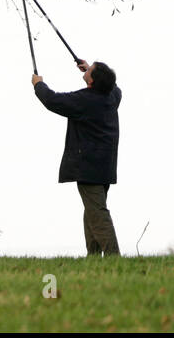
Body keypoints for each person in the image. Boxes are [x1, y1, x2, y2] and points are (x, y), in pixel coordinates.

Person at [31, 58, 122, 256]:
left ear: (91, 82)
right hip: (105, 165)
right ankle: (94, 256)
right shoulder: (113, 95)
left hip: (89, 166)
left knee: (97, 212)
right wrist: (89, 69)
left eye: (91, 70)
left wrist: (38, 84)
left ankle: (114, 256)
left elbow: (52, 100)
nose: (88, 69)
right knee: (93, 209)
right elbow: (111, 85)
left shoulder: (85, 100)